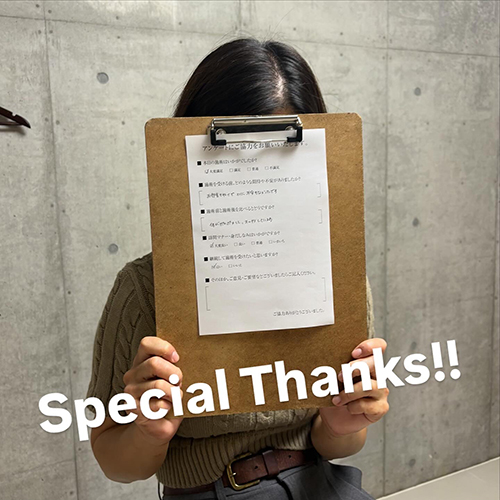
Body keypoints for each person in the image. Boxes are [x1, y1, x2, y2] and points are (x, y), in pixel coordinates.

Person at [87, 38, 389, 500]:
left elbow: (343, 442)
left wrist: (341, 422)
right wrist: (150, 432)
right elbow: (115, 462)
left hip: (316, 482)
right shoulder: (143, 289)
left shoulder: (338, 279)